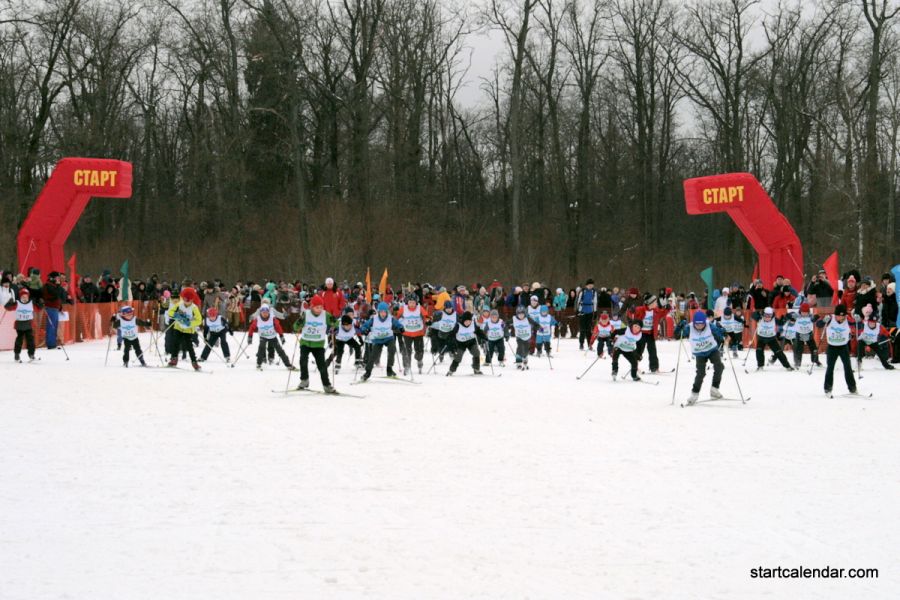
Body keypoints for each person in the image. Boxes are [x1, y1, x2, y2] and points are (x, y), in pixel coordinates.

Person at [294, 295, 337, 392]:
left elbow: (335, 323)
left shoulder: (326, 315)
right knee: (303, 361)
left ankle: (327, 385)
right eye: (317, 307)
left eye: (321, 307)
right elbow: (296, 327)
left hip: (318, 344)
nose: (319, 309)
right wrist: (298, 323)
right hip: (305, 342)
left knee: (322, 365)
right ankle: (304, 380)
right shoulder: (306, 314)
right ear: (312, 306)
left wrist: (334, 323)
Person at [685, 312, 725, 405]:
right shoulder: (689, 327)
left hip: (712, 350)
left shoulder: (710, 325)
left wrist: (722, 334)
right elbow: (677, 334)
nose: (699, 326)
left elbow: (719, 335)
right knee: (701, 373)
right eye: (697, 324)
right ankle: (694, 394)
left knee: (719, 366)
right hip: (699, 353)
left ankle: (714, 389)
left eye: (701, 324)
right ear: (694, 323)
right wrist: (680, 328)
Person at [359, 301, 404, 381]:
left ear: (387, 312)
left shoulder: (390, 318)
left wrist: (400, 327)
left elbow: (397, 324)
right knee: (373, 355)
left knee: (392, 349)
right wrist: (364, 330)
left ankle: (389, 369)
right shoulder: (374, 319)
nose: (383, 314)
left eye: (385, 312)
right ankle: (367, 372)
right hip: (378, 339)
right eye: (381, 312)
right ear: (378, 312)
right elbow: (365, 325)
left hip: (389, 338)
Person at [817, 304, 856, 396]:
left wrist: (858, 320)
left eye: (843, 316)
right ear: (836, 315)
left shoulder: (848, 319)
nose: (841, 318)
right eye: (839, 316)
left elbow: (858, 325)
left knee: (848, 368)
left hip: (843, 347)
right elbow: (818, 324)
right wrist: (823, 321)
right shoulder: (830, 318)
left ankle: (852, 388)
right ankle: (827, 388)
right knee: (830, 368)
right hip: (832, 347)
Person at [247, 304, 294, 370]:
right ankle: (259, 364)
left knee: (280, 350)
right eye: (263, 312)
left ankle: (288, 365)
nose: (265, 314)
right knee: (261, 349)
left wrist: (281, 336)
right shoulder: (258, 319)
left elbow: (278, 327)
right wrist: (250, 337)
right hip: (263, 336)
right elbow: (251, 328)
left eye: (266, 312)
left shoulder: (272, 319)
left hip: (272, 337)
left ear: (269, 312)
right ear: (261, 312)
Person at [166, 289, 203, 369]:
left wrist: (190, 323)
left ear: (192, 300)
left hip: (188, 330)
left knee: (189, 346)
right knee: (175, 343)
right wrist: (178, 316)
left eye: (188, 301)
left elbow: (199, 320)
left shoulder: (194, 308)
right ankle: (174, 359)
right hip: (178, 327)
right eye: (185, 300)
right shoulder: (179, 304)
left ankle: (194, 362)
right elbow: (170, 312)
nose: (186, 302)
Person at [446, 311, 486, 376]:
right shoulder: (458, 325)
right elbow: (452, 333)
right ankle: (451, 370)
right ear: (463, 320)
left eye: (469, 321)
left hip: (471, 341)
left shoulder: (473, 324)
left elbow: (478, 331)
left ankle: (476, 369)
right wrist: (449, 339)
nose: (468, 323)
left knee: (476, 352)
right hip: (461, 343)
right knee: (458, 356)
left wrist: (484, 337)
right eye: (466, 321)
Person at [398, 294, 428, 375]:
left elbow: (426, 316)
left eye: (413, 302)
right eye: (410, 302)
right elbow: (397, 317)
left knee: (419, 350)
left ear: (416, 302)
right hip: (407, 333)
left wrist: (428, 320)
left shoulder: (420, 308)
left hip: (418, 333)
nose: (412, 304)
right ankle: (407, 366)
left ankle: (419, 360)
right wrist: (397, 324)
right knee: (407, 351)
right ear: (407, 302)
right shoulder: (403, 308)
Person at [4, 287, 36, 362]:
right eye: (23, 297)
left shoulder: (31, 303)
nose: (24, 298)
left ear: (28, 297)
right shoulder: (17, 303)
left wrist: (41, 304)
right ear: (20, 297)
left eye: (26, 297)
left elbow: (39, 308)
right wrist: (8, 303)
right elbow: (8, 308)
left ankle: (31, 354)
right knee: (19, 340)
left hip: (28, 324)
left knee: (30, 340)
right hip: (20, 324)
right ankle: (17, 354)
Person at [791, 303, 820, 368]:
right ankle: (797, 362)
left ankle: (815, 360)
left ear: (808, 312)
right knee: (798, 349)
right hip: (799, 334)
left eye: (806, 312)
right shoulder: (797, 316)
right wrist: (790, 317)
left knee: (814, 349)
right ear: (800, 311)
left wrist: (816, 317)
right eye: (803, 312)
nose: (804, 313)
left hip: (809, 334)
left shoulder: (810, 316)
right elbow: (790, 316)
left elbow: (815, 318)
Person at [510, 305, 536, 370]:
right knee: (520, 348)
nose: (521, 316)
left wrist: (539, 327)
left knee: (526, 349)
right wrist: (503, 324)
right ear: (517, 314)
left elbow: (535, 324)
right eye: (519, 314)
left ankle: (525, 358)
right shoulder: (514, 319)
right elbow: (507, 322)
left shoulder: (528, 319)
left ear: (525, 314)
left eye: (522, 314)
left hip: (527, 337)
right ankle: (518, 362)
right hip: (519, 337)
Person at [575, 279, 597, 350]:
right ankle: (581, 344)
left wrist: (595, 312)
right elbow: (578, 301)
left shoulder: (594, 292)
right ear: (586, 285)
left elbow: (595, 302)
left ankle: (589, 344)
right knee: (582, 329)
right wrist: (577, 310)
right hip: (582, 311)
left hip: (590, 312)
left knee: (589, 329)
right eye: (589, 285)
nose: (590, 286)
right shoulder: (582, 291)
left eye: (592, 285)